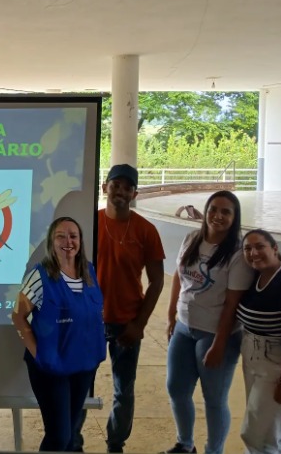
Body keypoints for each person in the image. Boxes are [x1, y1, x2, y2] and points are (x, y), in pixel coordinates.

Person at [74, 163, 166, 453]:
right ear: (105, 187)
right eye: (116, 185)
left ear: (135, 193)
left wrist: (139, 324)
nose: (121, 192)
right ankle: (73, 443)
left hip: (126, 323)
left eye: (128, 188)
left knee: (123, 389)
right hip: (88, 322)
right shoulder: (88, 224)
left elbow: (157, 281)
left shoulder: (146, 230)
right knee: (80, 385)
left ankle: (116, 444)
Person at [164, 190, 254, 454]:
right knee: (177, 389)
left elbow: (232, 304)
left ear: (235, 218)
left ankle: (214, 450)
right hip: (184, 328)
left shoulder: (236, 254)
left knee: (214, 399)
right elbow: (178, 277)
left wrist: (219, 343)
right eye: (213, 209)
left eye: (226, 212)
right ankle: (185, 444)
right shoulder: (192, 238)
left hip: (215, 334)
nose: (218, 216)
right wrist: (171, 316)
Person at [12, 216, 106, 452]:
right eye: (60, 236)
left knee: (70, 435)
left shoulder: (89, 272)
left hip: (83, 366)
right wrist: (38, 353)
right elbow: (18, 316)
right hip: (51, 369)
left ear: (80, 241)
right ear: (51, 242)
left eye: (73, 236)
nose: (68, 242)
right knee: (59, 436)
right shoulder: (40, 276)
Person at [237, 229, 281, 454]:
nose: (253, 253)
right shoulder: (256, 276)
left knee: (257, 436)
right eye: (247, 248)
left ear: (275, 248)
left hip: (279, 363)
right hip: (254, 358)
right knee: (273, 433)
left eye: (260, 247)